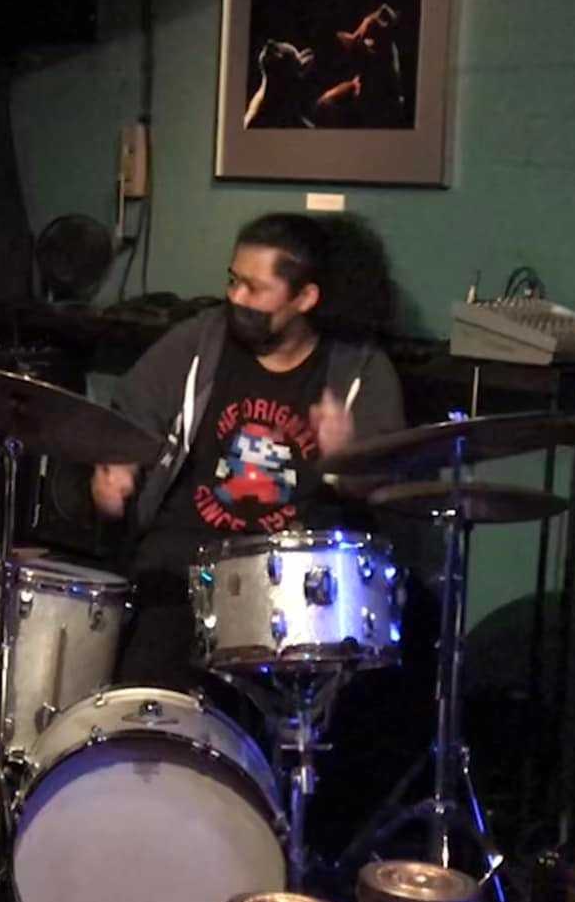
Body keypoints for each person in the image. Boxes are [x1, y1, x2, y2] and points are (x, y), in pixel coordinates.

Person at [92, 213, 406, 692]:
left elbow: (385, 484)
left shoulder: (359, 370)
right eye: (233, 281)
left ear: (305, 298)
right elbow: (133, 413)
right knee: (149, 704)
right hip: (183, 571)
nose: (236, 297)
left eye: (255, 288)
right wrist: (117, 464)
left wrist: (347, 457)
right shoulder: (201, 340)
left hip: (295, 589)